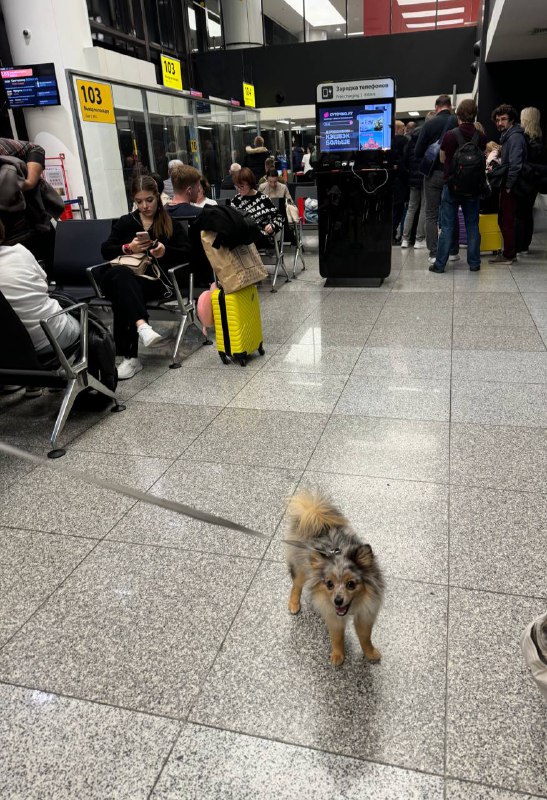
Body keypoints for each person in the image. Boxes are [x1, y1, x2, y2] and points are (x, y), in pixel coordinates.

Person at [100, 174, 191, 380]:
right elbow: (106, 250)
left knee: (121, 289)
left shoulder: (170, 224)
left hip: (154, 281)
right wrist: (128, 248)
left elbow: (187, 253)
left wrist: (165, 251)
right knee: (121, 277)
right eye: (139, 201)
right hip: (125, 276)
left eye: (149, 200)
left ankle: (131, 356)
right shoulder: (126, 222)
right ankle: (142, 326)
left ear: (157, 197)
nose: (144, 206)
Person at [0, 219, 79, 355]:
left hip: (10, 356)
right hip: (53, 339)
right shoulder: (17, 251)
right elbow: (44, 285)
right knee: (85, 322)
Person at [429, 98, 486, 274]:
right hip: (474, 188)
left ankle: (440, 265)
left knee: (447, 226)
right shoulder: (481, 137)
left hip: (452, 186)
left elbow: (442, 159)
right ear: (474, 114)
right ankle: (474, 263)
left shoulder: (450, 135)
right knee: (472, 225)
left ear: (458, 114)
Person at [0, 137, 58, 275]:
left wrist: (30, 182)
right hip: (7, 245)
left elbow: (35, 149)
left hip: (33, 227)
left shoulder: (2, 147)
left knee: (52, 275)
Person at [415, 95, 459, 264]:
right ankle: (454, 251)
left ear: (436, 107)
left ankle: (434, 253)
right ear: (450, 106)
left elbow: (418, 152)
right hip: (453, 174)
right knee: (452, 212)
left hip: (433, 174)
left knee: (431, 214)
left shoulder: (429, 124)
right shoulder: (457, 122)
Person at [488, 104, 527, 265]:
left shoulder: (515, 137)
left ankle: (509, 255)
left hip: (512, 185)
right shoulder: (509, 136)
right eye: (497, 120)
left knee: (507, 220)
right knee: (505, 219)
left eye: (503, 119)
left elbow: (516, 164)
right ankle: (509, 252)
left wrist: (509, 185)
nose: (499, 123)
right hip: (508, 183)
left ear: (511, 120)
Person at [516, 107, 545, 255]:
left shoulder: (523, 138)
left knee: (521, 214)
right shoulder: (539, 137)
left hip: (523, 181)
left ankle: (520, 245)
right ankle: (525, 245)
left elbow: (522, 161)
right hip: (535, 183)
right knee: (527, 214)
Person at [401, 115, 432, 249]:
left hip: (412, 178)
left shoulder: (410, 139)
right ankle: (419, 239)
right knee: (424, 208)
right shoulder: (429, 138)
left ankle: (405, 239)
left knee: (411, 208)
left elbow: (405, 159)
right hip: (425, 176)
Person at [230, 166, 283, 244]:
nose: (239, 189)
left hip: (261, 234)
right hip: (243, 235)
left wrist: (272, 225)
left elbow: (278, 217)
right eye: (237, 186)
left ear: (250, 183)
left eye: (241, 186)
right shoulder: (236, 201)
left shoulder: (263, 199)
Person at [392, 120, 409, 243]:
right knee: (399, 209)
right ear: (398, 129)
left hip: (390, 179)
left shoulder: (388, 142)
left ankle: (390, 234)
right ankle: (397, 234)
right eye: (403, 129)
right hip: (401, 180)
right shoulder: (404, 142)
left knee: (393, 208)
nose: (404, 131)